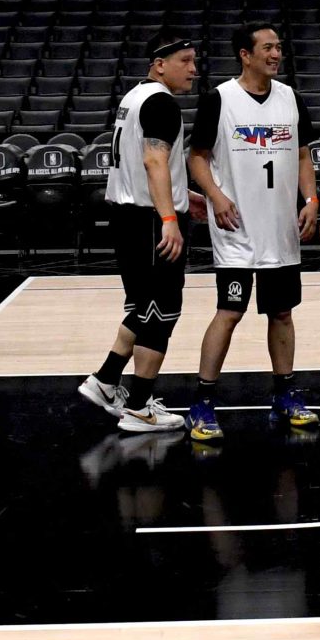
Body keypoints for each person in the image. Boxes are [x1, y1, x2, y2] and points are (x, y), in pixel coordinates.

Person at [183, 23, 319, 442]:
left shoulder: (291, 98)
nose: (276, 54)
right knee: (230, 311)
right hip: (237, 227)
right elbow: (197, 157)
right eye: (268, 48)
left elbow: (303, 154)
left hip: (280, 228)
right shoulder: (220, 99)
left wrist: (311, 199)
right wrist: (215, 196)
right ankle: (202, 403)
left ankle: (284, 394)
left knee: (282, 313)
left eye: (279, 47)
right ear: (245, 54)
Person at [78, 34, 198, 433]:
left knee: (144, 306)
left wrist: (183, 195)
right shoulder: (162, 102)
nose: (194, 69)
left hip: (128, 215)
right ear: (160, 64)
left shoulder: (134, 97)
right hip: (148, 220)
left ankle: (105, 380)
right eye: (185, 61)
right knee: (163, 310)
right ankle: (140, 406)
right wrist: (169, 218)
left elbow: (140, 162)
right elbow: (153, 161)